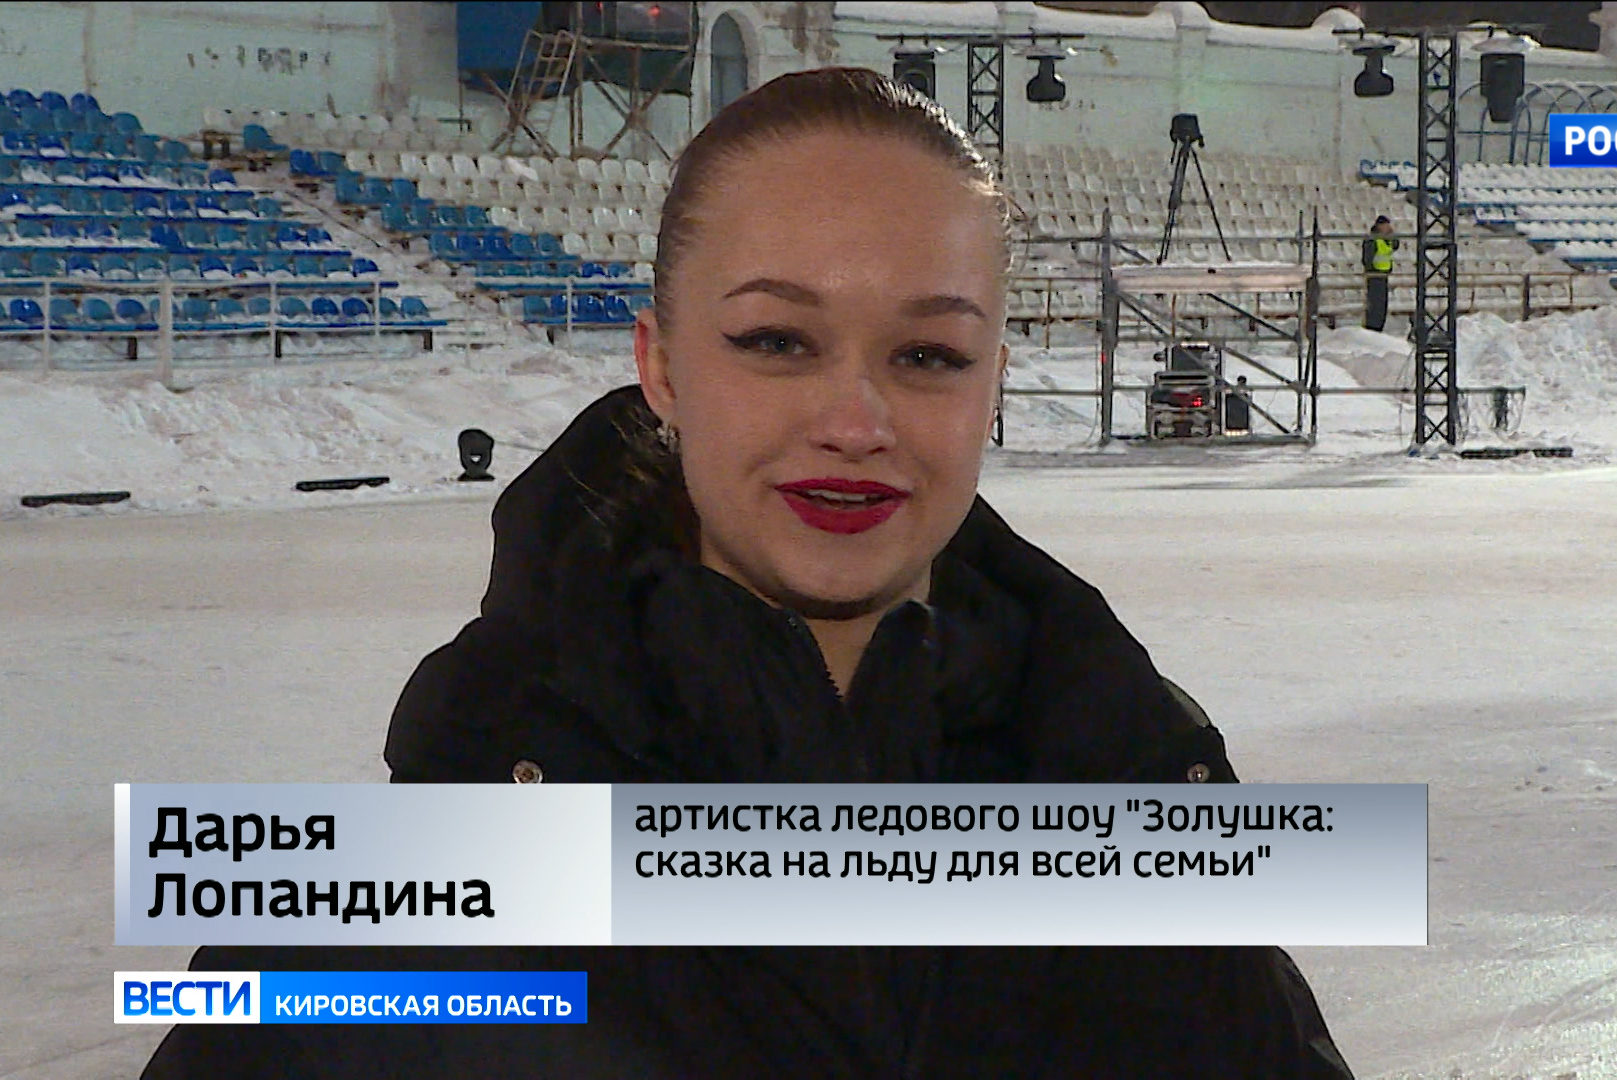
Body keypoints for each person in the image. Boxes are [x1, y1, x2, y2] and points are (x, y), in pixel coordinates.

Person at [143, 68, 1353, 1079]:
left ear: (991, 382)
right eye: (778, 340)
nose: (856, 420)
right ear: (661, 367)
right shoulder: (402, 898)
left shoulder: (1132, 786)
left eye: (929, 354)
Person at [1362, 214, 1397, 332]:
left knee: (1382, 304)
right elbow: (1367, 258)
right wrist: (1370, 270)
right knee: (1375, 304)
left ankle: (1379, 326)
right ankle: (1372, 327)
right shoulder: (1373, 240)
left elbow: (1395, 245)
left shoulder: (1386, 240)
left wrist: (1392, 235)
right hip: (1374, 275)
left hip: (1384, 275)